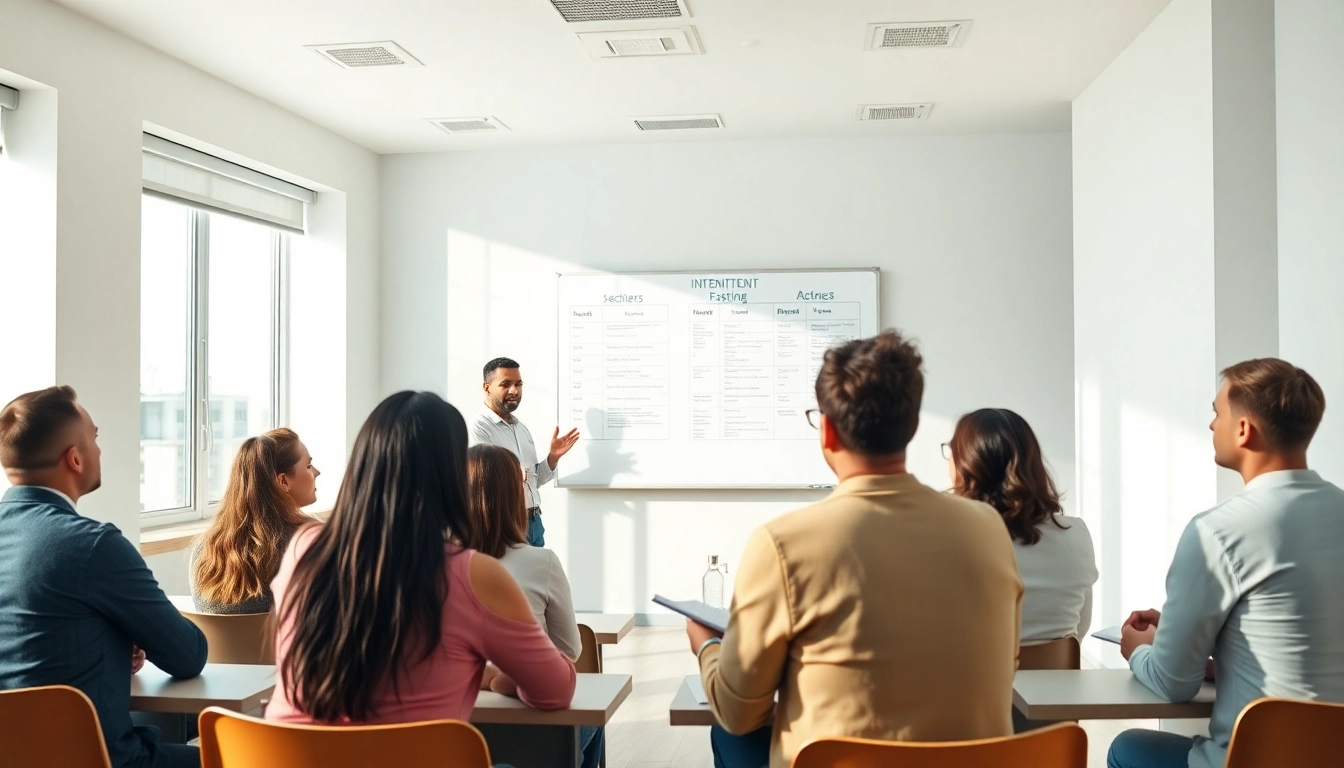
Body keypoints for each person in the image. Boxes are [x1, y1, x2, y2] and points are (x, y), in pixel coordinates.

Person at [687, 331, 1023, 768]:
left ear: (826, 429)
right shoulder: (988, 530)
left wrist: (708, 646)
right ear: (913, 425)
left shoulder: (782, 544)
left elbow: (737, 712)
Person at [265, 390, 575, 727]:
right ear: (452, 477)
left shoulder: (304, 548)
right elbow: (555, 691)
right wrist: (495, 677)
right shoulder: (473, 574)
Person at [1109, 358, 1344, 768]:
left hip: (1253, 760)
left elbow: (1172, 683)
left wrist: (1141, 651)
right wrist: (1216, 656)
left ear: (1243, 429)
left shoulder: (1218, 532)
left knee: (1126, 748)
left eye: (1217, 412)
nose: (1211, 424)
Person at [0, 386, 208, 768]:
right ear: (75, 459)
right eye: (95, 438)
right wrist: (127, 631)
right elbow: (188, 656)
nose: (100, 449)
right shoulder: (92, 546)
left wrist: (107, 640)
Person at [464, 443, 602, 768]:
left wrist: (484, 677)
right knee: (593, 719)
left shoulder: (436, 567)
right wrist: (503, 678)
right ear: (516, 498)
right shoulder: (541, 563)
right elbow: (568, 650)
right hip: (534, 731)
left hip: (457, 732)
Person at [946, 408, 1098, 645]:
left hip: (974, 681)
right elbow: (1079, 628)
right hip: (1057, 680)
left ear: (966, 467)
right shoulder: (1075, 535)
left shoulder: (946, 540)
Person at [191, 428, 320, 614]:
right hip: (281, 643)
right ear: (283, 481)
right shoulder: (306, 542)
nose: (317, 472)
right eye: (308, 466)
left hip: (218, 645)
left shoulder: (203, 550)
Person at [470, 357, 580, 547]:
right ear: (487, 388)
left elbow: (533, 481)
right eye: (506, 384)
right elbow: (484, 481)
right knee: (511, 577)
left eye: (518, 384)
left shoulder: (521, 429)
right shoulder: (479, 428)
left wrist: (553, 457)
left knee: (535, 577)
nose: (515, 390)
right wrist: (513, 473)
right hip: (507, 523)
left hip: (535, 521)